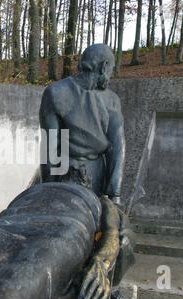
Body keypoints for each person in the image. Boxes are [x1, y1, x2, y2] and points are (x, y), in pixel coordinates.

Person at [39, 44, 125, 205]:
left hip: (64, 177)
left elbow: (50, 150)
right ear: (104, 67)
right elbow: (117, 149)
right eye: (112, 70)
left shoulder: (55, 92)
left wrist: (47, 189)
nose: (111, 75)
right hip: (91, 177)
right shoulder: (112, 100)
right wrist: (115, 195)